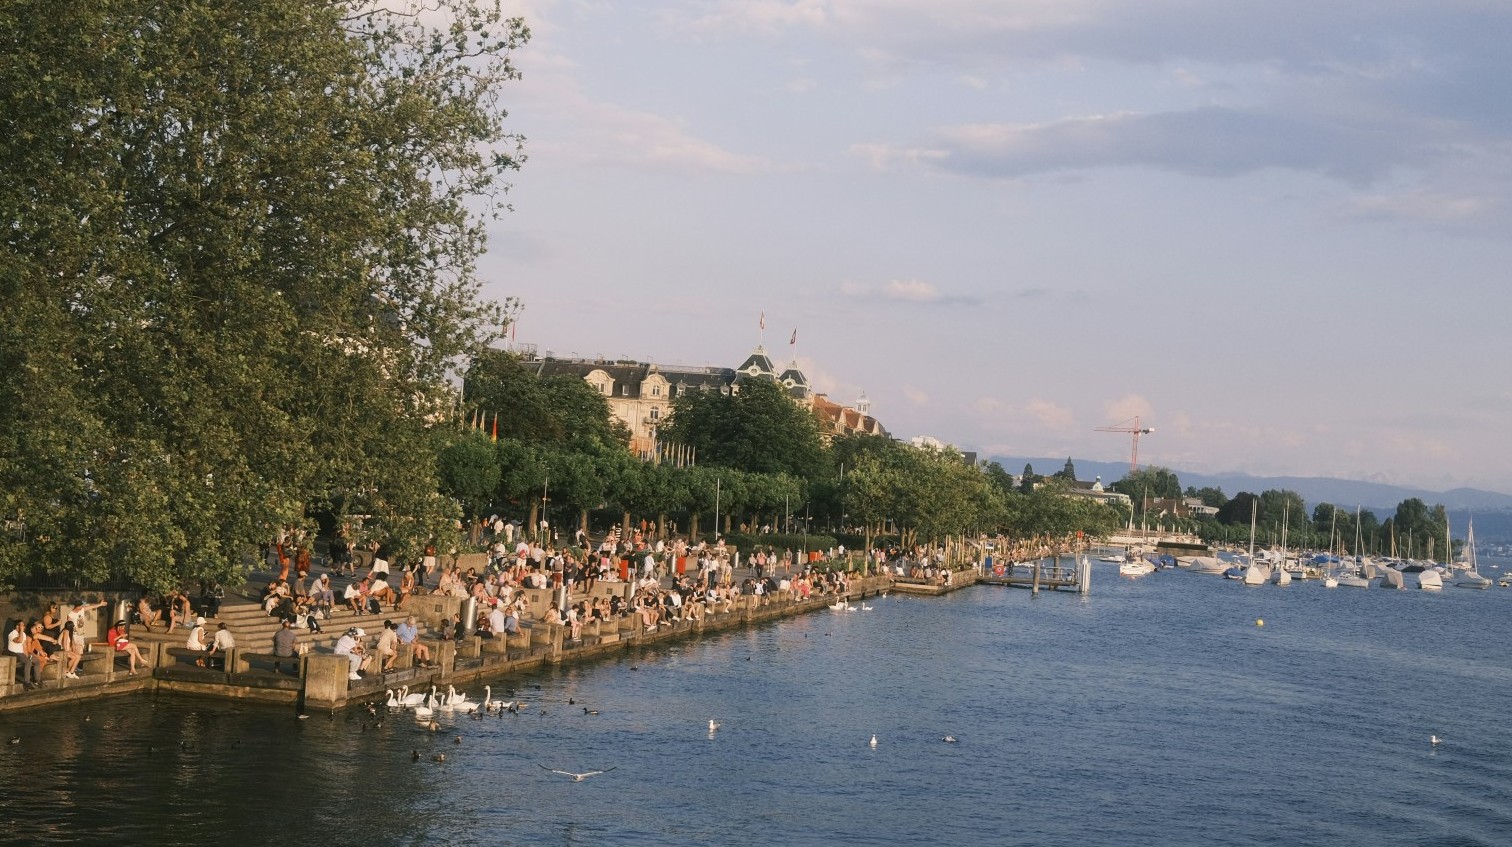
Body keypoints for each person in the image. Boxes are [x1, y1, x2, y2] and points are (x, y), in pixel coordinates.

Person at [8, 619, 40, 689]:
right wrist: (21, 630)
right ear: (17, 626)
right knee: (28, 662)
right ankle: (27, 682)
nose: (24, 627)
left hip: (22, 653)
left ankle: (37, 680)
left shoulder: (24, 634)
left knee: (37, 661)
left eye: (23, 625)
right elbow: (19, 640)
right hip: (14, 653)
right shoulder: (12, 634)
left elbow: (24, 646)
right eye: (22, 625)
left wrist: (27, 656)